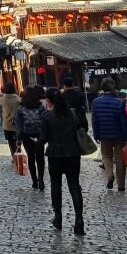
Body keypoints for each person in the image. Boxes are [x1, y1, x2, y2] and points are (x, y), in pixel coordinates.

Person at [41, 87, 84, 235]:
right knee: (74, 185)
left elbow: (43, 138)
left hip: (55, 154)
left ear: (48, 101)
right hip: (72, 152)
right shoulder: (72, 113)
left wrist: (36, 142)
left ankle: (58, 217)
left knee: (56, 185)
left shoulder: (47, 117)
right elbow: (80, 127)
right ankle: (79, 220)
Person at [91, 78, 127, 193]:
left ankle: (109, 175)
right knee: (120, 160)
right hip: (119, 135)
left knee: (106, 156)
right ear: (113, 87)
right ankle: (121, 185)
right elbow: (123, 122)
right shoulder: (120, 102)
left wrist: (96, 134)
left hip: (104, 134)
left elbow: (94, 120)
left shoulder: (96, 102)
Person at [15, 85, 46, 190]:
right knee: (40, 158)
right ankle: (41, 178)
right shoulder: (40, 107)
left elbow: (18, 124)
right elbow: (44, 121)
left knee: (31, 158)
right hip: (39, 135)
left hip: (26, 135)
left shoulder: (21, 108)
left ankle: (34, 181)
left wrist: (19, 138)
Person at [0, 80, 21, 156]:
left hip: (7, 124)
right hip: (17, 123)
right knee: (18, 142)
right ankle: (18, 156)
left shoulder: (2, 99)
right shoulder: (18, 99)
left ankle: (13, 156)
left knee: (11, 142)